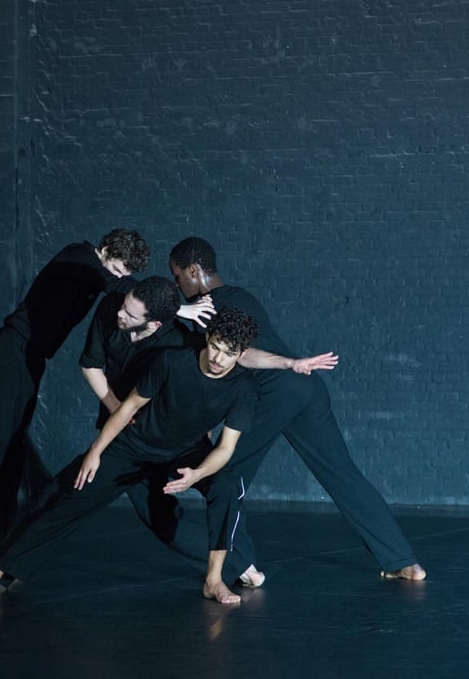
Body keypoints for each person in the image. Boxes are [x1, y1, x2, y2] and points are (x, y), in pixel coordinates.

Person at [0, 307, 261, 605]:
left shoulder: (243, 389)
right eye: (215, 346)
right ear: (208, 337)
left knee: (228, 484)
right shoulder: (173, 361)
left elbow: (225, 448)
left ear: (241, 355)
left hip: (185, 453)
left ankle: (214, 579)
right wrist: (95, 452)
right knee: (66, 499)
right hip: (135, 446)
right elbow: (129, 407)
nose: (218, 358)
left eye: (228, 354)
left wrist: (198, 474)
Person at [168, 236, 426, 580]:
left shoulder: (205, 309)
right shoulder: (242, 296)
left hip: (273, 392)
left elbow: (232, 362)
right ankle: (404, 562)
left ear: (193, 270)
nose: (176, 284)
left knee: (224, 477)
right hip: (306, 388)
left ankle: (240, 565)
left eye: (176, 276)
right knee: (343, 474)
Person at [80, 277, 338, 588]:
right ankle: (239, 563)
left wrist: (289, 363)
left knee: (220, 488)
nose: (217, 356)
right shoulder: (127, 316)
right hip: (132, 432)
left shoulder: (185, 335)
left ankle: (235, 565)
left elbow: (241, 355)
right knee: (154, 512)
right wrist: (113, 410)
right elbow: (96, 366)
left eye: (179, 278)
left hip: (172, 438)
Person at [0, 230, 150, 550]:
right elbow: (113, 285)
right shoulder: (78, 255)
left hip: (32, 357)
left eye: (124, 273)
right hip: (10, 349)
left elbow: (115, 286)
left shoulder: (96, 272)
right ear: (105, 250)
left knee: (11, 446)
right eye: (116, 269)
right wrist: (168, 306)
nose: (117, 277)